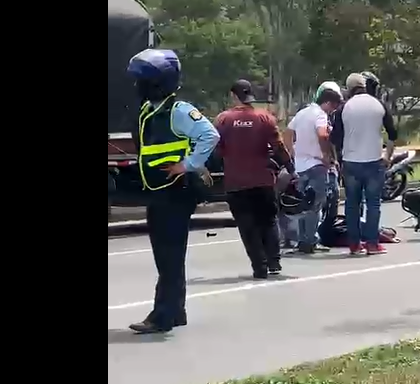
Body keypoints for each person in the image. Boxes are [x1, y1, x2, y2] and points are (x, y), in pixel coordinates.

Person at [126, 49, 220, 334]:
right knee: (169, 255)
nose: (136, 86)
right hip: (158, 190)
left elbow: (210, 135)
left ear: (156, 83)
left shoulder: (179, 111)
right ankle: (176, 310)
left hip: (175, 192)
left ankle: (162, 316)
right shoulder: (148, 110)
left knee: (168, 256)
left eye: (140, 80)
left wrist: (188, 164)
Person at [214, 79, 296, 278]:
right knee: (268, 221)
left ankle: (259, 266)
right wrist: (290, 169)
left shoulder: (223, 119)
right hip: (263, 180)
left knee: (247, 225)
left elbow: (215, 148)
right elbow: (278, 147)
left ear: (234, 96)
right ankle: (274, 262)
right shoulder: (265, 117)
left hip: (236, 183)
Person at [331, 72, 398, 255]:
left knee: (352, 204)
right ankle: (372, 244)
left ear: (349, 88)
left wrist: (338, 159)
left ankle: (354, 245)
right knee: (373, 204)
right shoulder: (378, 104)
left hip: (351, 162)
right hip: (374, 161)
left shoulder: (343, 108)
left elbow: (335, 138)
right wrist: (388, 155)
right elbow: (392, 133)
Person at [283, 83, 343, 254]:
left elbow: (287, 134)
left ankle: (302, 240)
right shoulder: (320, 115)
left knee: (303, 204)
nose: (332, 112)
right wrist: (326, 156)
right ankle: (310, 241)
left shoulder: (302, 113)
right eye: (333, 108)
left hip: (300, 166)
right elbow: (323, 135)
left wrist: (293, 153)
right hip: (316, 166)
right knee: (315, 205)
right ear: (329, 103)